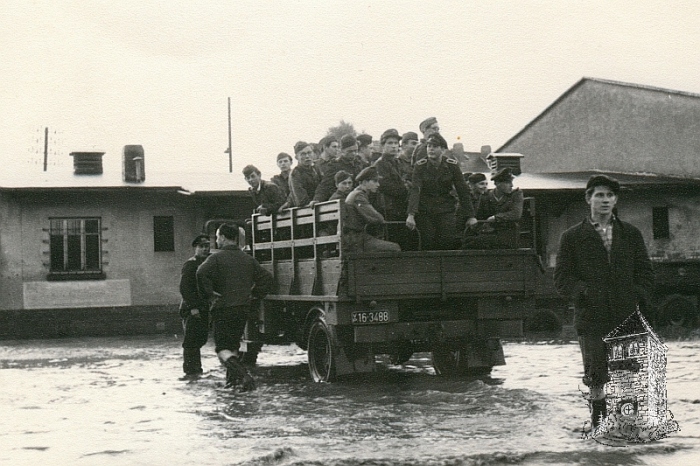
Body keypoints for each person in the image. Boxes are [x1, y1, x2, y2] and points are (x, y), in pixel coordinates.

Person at [554, 175, 654, 429]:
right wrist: (584, 293)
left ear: (616, 200)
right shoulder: (572, 237)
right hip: (592, 315)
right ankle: (598, 423)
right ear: (588, 199)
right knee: (596, 372)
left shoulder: (630, 234)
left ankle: (628, 424)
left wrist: (636, 295)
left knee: (628, 371)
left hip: (625, 312)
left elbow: (645, 272)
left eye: (610, 195)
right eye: (599, 195)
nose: (605, 200)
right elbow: (562, 279)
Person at [196, 223, 275, 391]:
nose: (216, 241)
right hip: (243, 309)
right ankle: (232, 384)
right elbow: (266, 278)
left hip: (223, 308)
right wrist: (255, 294)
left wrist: (209, 294)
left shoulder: (216, 258)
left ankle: (244, 376)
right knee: (233, 347)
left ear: (223, 237)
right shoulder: (248, 258)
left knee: (222, 349)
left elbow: (200, 273)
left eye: (217, 237)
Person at [406, 133, 475, 250]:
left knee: (447, 241)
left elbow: (462, 191)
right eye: (429, 146)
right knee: (427, 242)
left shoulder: (452, 165)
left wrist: (471, 216)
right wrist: (411, 214)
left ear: (442, 149)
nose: (431, 149)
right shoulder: (420, 166)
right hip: (425, 210)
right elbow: (415, 190)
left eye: (435, 146)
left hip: (445, 209)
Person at [343, 167, 401, 254]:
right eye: (374, 181)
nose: (378, 185)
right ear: (365, 182)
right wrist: (380, 219)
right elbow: (376, 217)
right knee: (395, 248)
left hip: (355, 238)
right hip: (355, 240)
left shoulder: (357, 194)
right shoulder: (358, 196)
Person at [462, 168, 523, 249]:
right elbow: (480, 215)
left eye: (511, 182)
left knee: (474, 243)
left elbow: (516, 214)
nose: (511, 185)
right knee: (468, 241)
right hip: (489, 233)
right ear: (497, 184)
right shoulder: (487, 196)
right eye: (508, 183)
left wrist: (495, 218)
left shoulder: (516, 194)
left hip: (508, 235)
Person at [178, 234, 211, 380]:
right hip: (191, 308)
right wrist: (193, 307)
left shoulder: (209, 262)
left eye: (207, 246)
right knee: (191, 340)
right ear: (195, 248)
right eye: (201, 246)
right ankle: (191, 371)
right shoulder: (191, 265)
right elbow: (185, 288)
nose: (204, 249)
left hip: (204, 307)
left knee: (200, 339)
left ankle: (196, 370)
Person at [313, 134, 365, 203]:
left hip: (359, 199)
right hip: (343, 201)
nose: (354, 154)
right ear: (342, 150)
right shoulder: (335, 165)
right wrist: (317, 199)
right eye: (350, 151)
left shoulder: (360, 163)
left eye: (356, 151)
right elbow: (325, 185)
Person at [373, 128, 408, 222]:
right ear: (383, 145)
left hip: (401, 207)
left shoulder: (398, 162)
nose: (393, 146)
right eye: (390, 143)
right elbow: (386, 186)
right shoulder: (380, 164)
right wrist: (406, 187)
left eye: (396, 143)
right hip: (388, 209)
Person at [288, 141, 321, 207]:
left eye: (309, 153)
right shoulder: (295, 173)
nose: (307, 156)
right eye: (303, 154)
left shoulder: (316, 169)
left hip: (318, 207)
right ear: (296, 157)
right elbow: (301, 200)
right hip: (305, 212)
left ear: (313, 154)